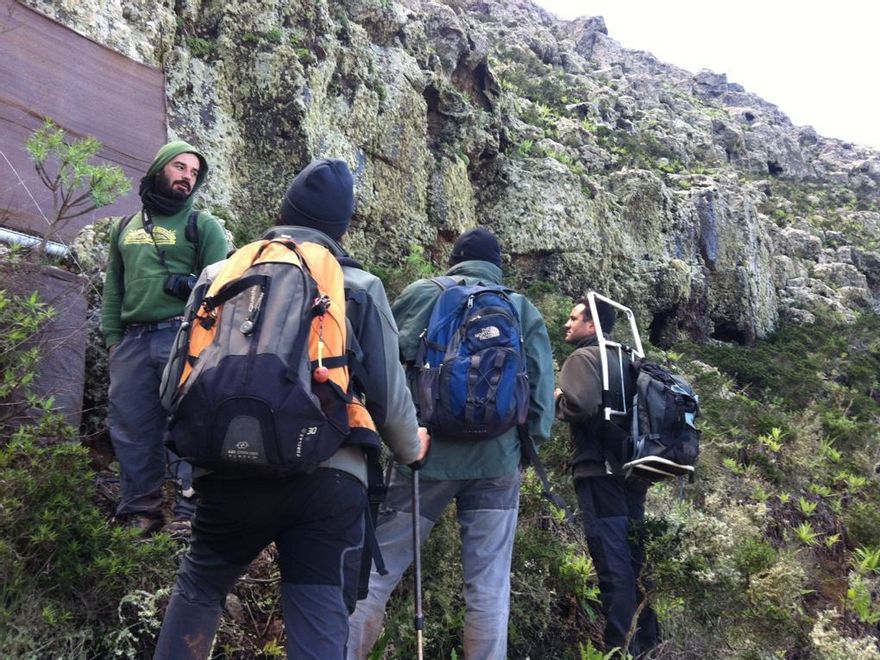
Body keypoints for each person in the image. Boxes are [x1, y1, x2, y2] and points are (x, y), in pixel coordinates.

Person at [153, 157, 430, 659]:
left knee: (199, 591)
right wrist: (413, 448)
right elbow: (390, 404)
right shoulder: (359, 286)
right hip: (329, 479)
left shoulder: (221, 273)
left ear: (284, 210)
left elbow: (172, 389)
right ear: (341, 227)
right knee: (319, 623)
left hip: (229, 474)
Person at [348, 228, 556, 659]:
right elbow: (539, 399)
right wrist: (520, 450)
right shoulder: (519, 307)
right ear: (497, 264)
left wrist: (394, 438)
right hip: (498, 465)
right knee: (489, 588)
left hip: (423, 459)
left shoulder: (425, 294)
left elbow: (379, 366)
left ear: (455, 259)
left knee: (375, 576)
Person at [101, 140, 229, 537]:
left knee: (191, 422)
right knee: (130, 425)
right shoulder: (124, 228)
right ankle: (141, 511)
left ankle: (192, 510)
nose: (187, 177)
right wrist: (113, 341)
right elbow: (113, 289)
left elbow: (222, 290)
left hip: (183, 335)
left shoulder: (202, 226)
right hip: (133, 341)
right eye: (180, 167)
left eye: (194, 173)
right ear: (159, 168)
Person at [554, 297, 659, 656]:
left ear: (591, 324)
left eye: (573, 318)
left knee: (612, 562)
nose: (567, 324)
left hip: (600, 473)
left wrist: (557, 400)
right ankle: (647, 644)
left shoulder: (584, 357)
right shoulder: (628, 356)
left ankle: (619, 648)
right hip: (634, 471)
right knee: (634, 560)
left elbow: (580, 405)